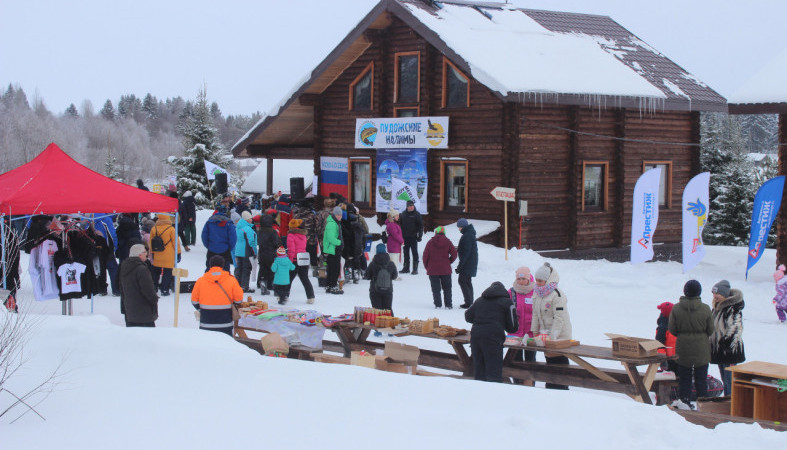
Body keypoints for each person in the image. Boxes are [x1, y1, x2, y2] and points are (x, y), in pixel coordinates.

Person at [668, 279, 714, 410]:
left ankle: (685, 402)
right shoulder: (705, 308)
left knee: (685, 378)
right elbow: (711, 329)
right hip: (701, 348)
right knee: (701, 378)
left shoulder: (676, 308)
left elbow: (672, 328)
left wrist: (683, 334)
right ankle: (704, 404)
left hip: (683, 347)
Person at [465, 281, 519, 383]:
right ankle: (493, 396)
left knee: (479, 371)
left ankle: (479, 395)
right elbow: (513, 327)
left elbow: (468, 316)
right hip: (493, 338)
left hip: (476, 337)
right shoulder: (507, 302)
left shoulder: (479, 300)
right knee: (493, 372)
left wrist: (481, 320)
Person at [530, 262, 572, 389]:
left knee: (559, 361)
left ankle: (561, 386)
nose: (537, 283)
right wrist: (535, 332)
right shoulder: (537, 294)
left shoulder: (557, 295)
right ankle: (551, 384)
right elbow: (535, 314)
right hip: (546, 334)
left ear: (548, 280)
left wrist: (553, 336)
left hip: (559, 335)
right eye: (536, 280)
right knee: (549, 359)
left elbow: (559, 318)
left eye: (540, 281)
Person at [709, 280, 745, 397]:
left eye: (717, 293)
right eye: (713, 293)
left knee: (730, 380)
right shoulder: (717, 307)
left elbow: (736, 327)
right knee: (725, 379)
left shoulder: (732, 308)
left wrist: (727, 344)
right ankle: (728, 401)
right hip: (720, 350)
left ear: (724, 294)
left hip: (730, 351)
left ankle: (731, 403)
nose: (715, 296)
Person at [191, 255, 243, 336]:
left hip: (206, 322)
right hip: (225, 323)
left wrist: (201, 309)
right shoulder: (231, 280)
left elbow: (194, 300)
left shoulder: (201, 281)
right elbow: (239, 300)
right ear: (223, 265)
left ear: (210, 265)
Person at [118, 244, 158, 327]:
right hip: (143, 312)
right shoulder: (142, 269)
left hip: (130, 311)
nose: (146, 254)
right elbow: (148, 290)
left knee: (132, 338)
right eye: (144, 252)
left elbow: (120, 287)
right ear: (139, 254)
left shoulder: (124, 266)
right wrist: (154, 299)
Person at [422, 226, 457, 309]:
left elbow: (425, 256)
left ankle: (438, 305)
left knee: (435, 289)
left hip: (433, 269)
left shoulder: (430, 242)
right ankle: (448, 305)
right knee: (447, 288)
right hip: (445, 269)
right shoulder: (448, 242)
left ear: (436, 233)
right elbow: (455, 254)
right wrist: (449, 262)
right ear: (444, 233)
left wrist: (427, 267)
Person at [509, 267, 536, 367]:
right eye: (518, 279)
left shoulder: (536, 292)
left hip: (531, 333)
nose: (521, 281)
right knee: (515, 361)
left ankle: (530, 382)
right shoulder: (511, 292)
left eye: (523, 279)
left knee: (530, 361)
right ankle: (517, 382)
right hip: (515, 333)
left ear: (528, 279)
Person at [150, 213, 181, 296]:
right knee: (167, 273)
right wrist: (178, 253)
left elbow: (150, 243)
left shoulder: (154, 228)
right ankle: (164, 289)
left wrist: (152, 253)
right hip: (168, 255)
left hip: (157, 254)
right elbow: (176, 243)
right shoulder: (171, 229)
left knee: (156, 272)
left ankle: (154, 288)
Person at [287, 219, 315, 304]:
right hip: (303, 260)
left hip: (295, 260)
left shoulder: (291, 235)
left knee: (288, 279)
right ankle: (311, 297)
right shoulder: (303, 235)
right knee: (305, 279)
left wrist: (290, 261)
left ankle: (284, 296)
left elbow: (291, 250)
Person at [364, 243, 398, 314]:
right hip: (388, 291)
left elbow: (366, 276)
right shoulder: (391, 263)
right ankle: (390, 324)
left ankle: (378, 324)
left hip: (375, 291)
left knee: (377, 312)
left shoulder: (373, 263)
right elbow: (395, 276)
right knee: (388, 310)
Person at [201, 206, 236, 272]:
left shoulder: (209, 222)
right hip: (225, 250)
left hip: (211, 250)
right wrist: (229, 247)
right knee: (225, 271)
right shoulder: (229, 223)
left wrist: (208, 246)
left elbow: (204, 235)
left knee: (210, 270)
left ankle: (209, 281)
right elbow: (233, 238)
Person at [455, 218, 478, 309]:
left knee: (463, 281)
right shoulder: (469, 234)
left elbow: (466, 252)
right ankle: (470, 301)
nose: (458, 229)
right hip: (470, 261)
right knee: (467, 281)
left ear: (462, 226)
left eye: (459, 227)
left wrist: (460, 266)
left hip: (468, 262)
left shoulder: (467, 235)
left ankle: (468, 302)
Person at [257, 213, 281, 295]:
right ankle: (270, 285)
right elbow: (276, 242)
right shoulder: (272, 231)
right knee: (271, 270)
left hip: (261, 253)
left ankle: (263, 282)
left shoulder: (260, 231)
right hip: (271, 253)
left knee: (263, 269)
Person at [322, 206, 344, 295]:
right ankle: (333, 286)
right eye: (337, 215)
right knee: (334, 268)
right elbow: (330, 238)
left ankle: (329, 285)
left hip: (333, 249)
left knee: (331, 268)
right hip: (333, 249)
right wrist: (339, 242)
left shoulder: (335, 223)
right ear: (334, 215)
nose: (339, 216)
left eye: (340, 215)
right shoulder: (332, 223)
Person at [234, 211, 257, 293]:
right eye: (250, 218)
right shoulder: (247, 229)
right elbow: (251, 242)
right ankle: (244, 286)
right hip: (246, 251)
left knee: (239, 268)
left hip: (238, 251)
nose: (251, 219)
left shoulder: (237, 227)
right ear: (247, 219)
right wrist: (255, 252)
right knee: (246, 269)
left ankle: (237, 285)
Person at [398, 200, 423, 275]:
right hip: (405, 237)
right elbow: (400, 225)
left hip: (413, 237)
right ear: (407, 207)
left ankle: (415, 269)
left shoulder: (417, 214)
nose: (411, 207)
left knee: (414, 253)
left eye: (412, 206)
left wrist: (420, 235)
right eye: (410, 206)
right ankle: (406, 268)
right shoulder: (403, 214)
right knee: (406, 253)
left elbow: (420, 226)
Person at [655, 302, 678, 373]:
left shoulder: (662, 327)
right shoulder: (678, 324)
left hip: (669, 359)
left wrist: (663, 362)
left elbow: (659, 345)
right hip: (678, 357)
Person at [385, 211, 404, 276]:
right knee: (393, 261)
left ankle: (393, 275)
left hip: (395, 245)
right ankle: (393, 276)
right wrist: (401, 241)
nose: (398, 217)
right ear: (393, 217)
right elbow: (395, 234)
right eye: (396, 215)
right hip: (393, 245)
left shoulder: (393, 224)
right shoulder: (392, 225)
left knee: (395, 260)